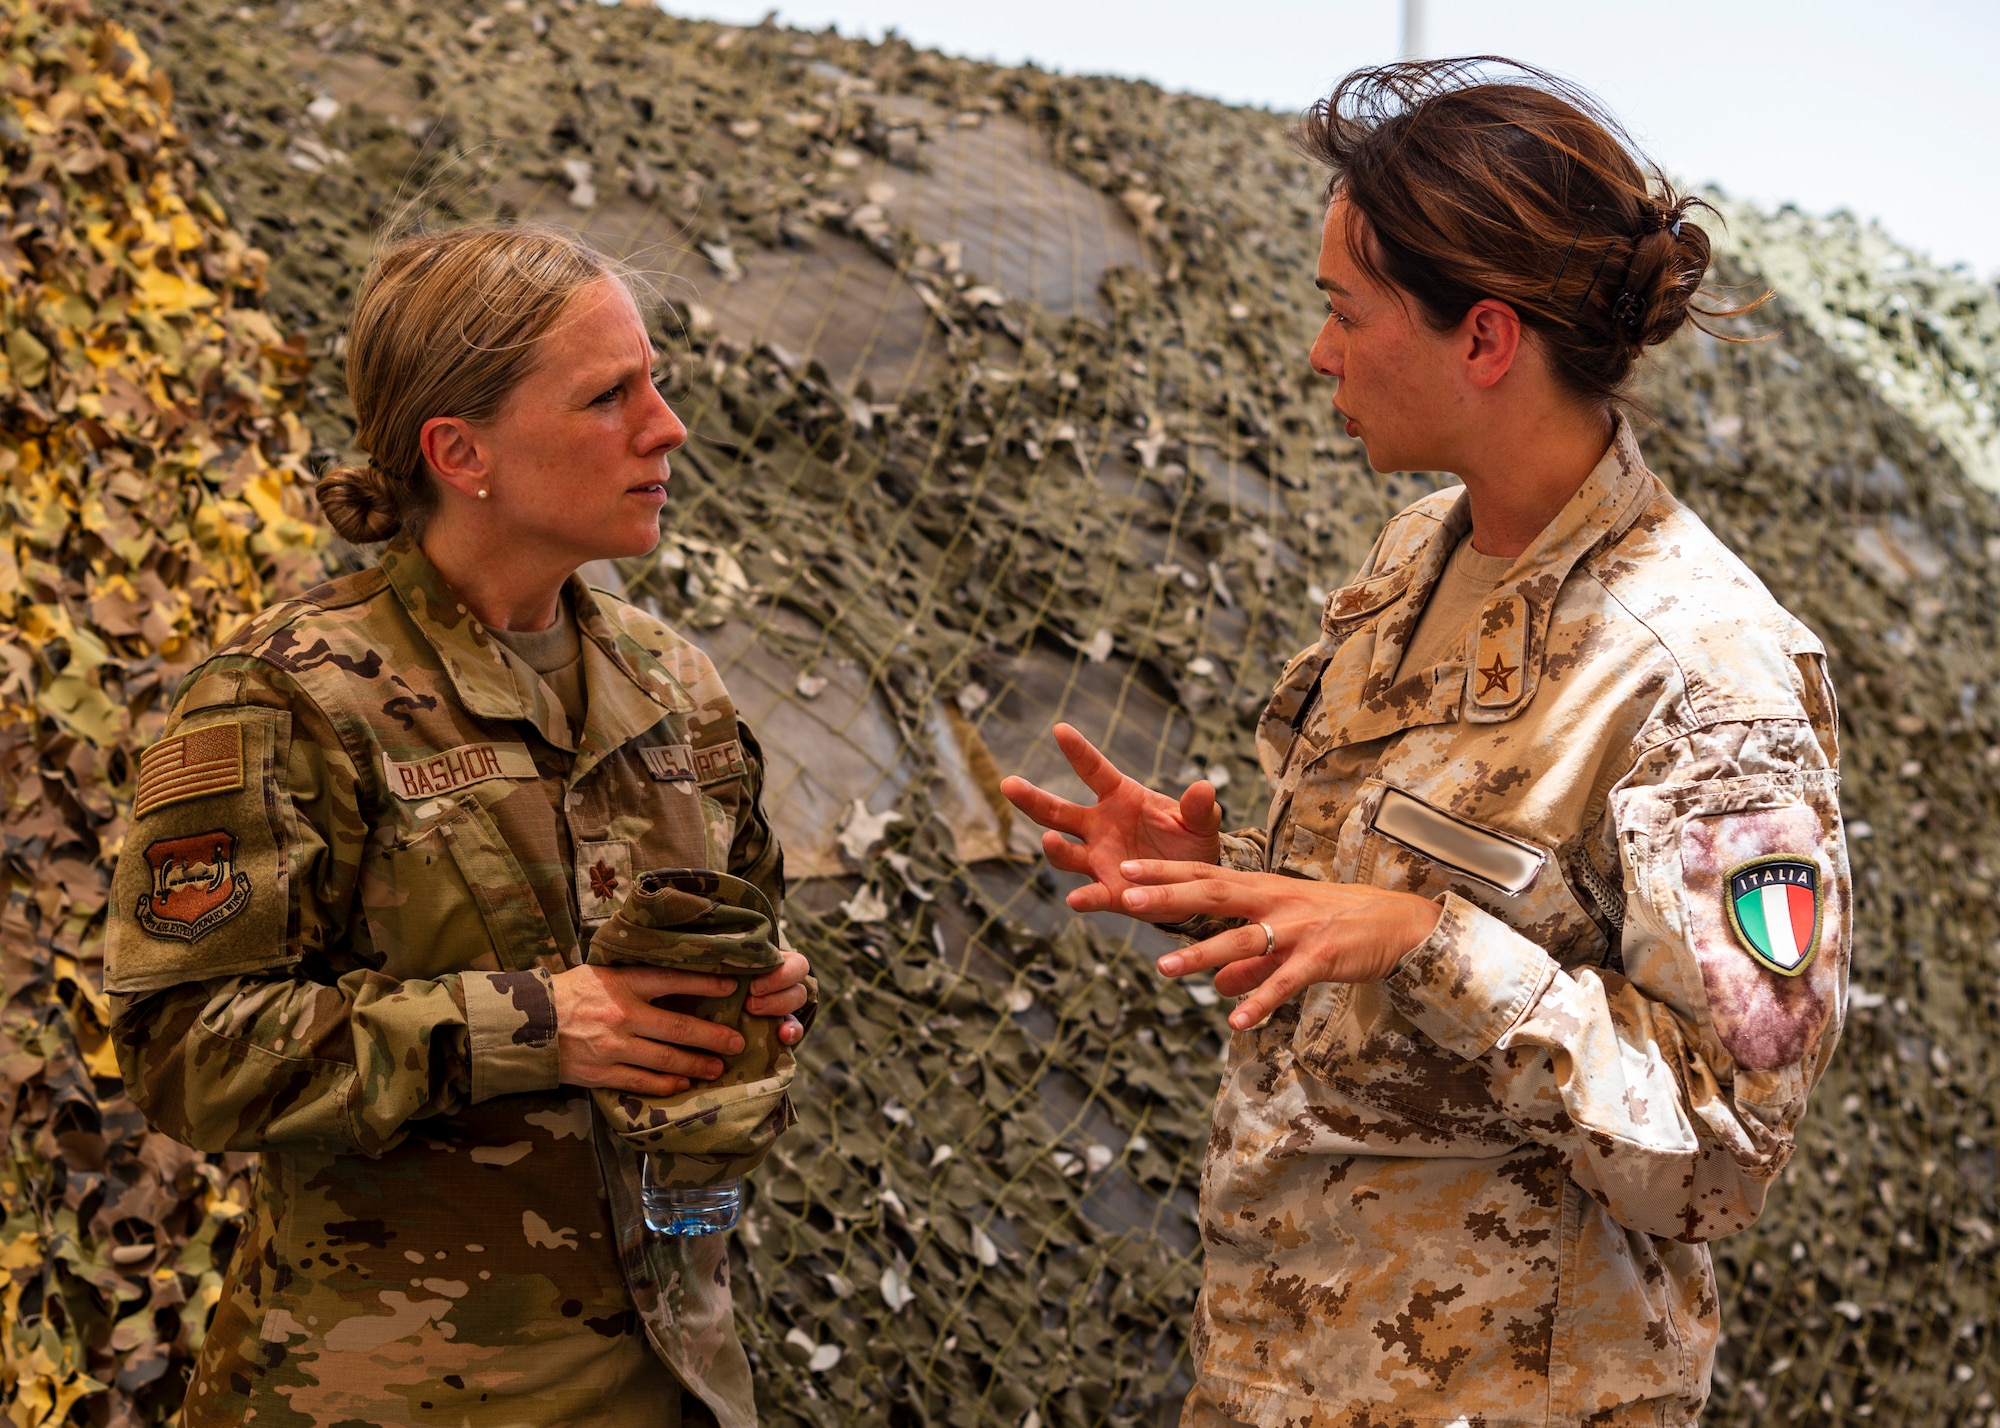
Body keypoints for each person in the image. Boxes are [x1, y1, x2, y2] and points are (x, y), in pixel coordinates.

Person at [1002, 59, 1849, 1427]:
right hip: (1287, 1370)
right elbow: (1387, 994)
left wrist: (1423, 944)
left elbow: (1724, 1151)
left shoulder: (1706, 681)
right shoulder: (1419, 559)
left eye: (1345, 311)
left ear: (1485, 339)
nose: (1318, 353)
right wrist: (1246, 892)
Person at [105, 225, 811, 1428]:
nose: (666, 427)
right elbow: (185, 1050)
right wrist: (542, 1024)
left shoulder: (674, 687)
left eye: (657, 383)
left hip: (671, 1379)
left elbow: (755, 932)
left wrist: (768, 991)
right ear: (460, 449)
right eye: (609, 396)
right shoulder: (291, 697)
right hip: (391, 1393)